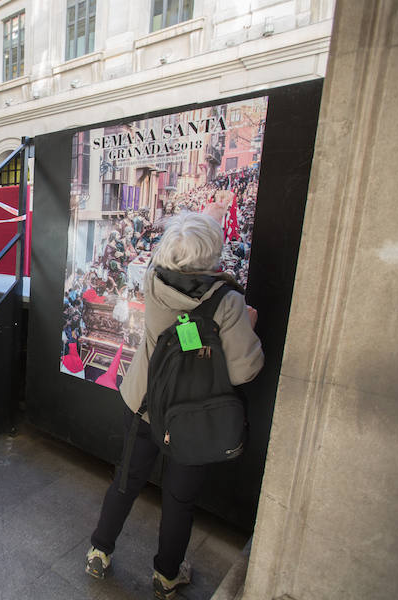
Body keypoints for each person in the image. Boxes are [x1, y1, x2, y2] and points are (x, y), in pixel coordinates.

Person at [85, 212, 264, 599]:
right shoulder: (229, 303)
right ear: (212, 254)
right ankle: (167, 576)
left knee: (125, 482)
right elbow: (245, 371)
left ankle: (99, 551)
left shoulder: (153, 281)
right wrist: (247, 324)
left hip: (146, 403)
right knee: (179, 500)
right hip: (191, 418)